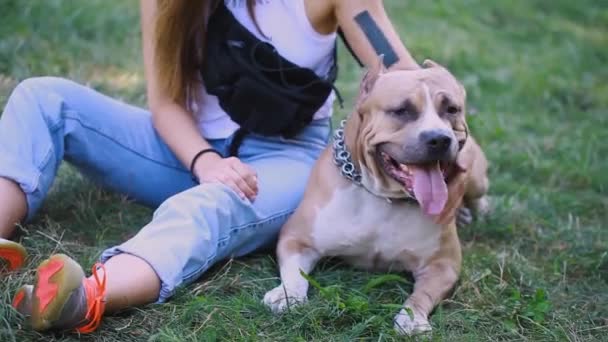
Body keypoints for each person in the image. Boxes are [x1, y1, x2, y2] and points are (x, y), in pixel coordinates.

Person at [1, 0, 423, 333]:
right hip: (184, 146)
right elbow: (165, 104)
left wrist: (450, 146)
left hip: (282, 159)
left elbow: (404, 73)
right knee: (43, 98)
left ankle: (83, 298)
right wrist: (205, 160)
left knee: (210, 205)